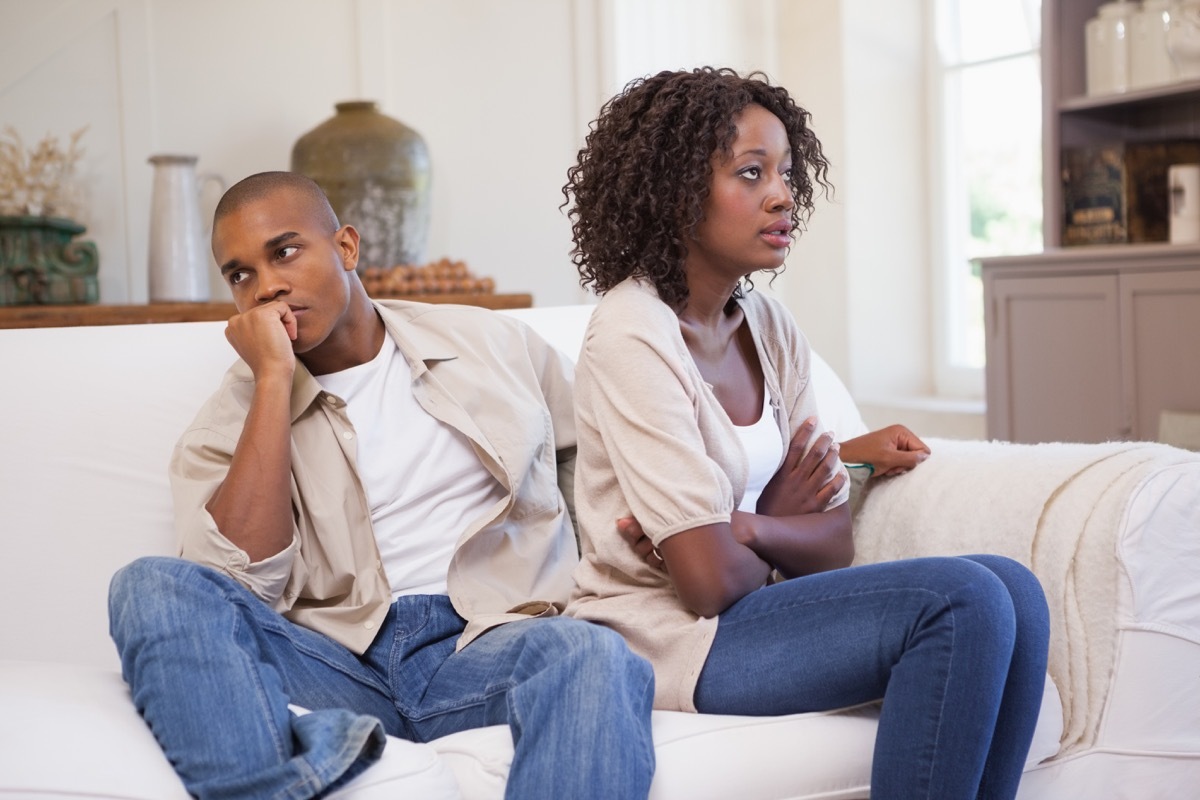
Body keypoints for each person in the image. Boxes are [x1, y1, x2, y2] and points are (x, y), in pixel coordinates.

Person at [560, 67, 1050, 800]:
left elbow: (831, 544)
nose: (783, 195)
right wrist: (767, 532)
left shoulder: (768, 326)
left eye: (786, 172)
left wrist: (749, 527)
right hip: (669, 640)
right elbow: (703, 584)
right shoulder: (633, 334)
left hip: (753, 609)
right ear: (673, 192)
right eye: (751, 173)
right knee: (964, 599)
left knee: (1017, 589)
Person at [107, 171, 655, 800]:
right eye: (240, 275)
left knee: (590, 654)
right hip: (334, 664)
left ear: (345, 247)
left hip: (486, 644)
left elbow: (596, 453)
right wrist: (271, 383)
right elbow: (236, 587)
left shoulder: (490, 344)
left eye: (284, 252)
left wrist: (599, 565)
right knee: (150, 585)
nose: (267, 287)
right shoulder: (226, 424)